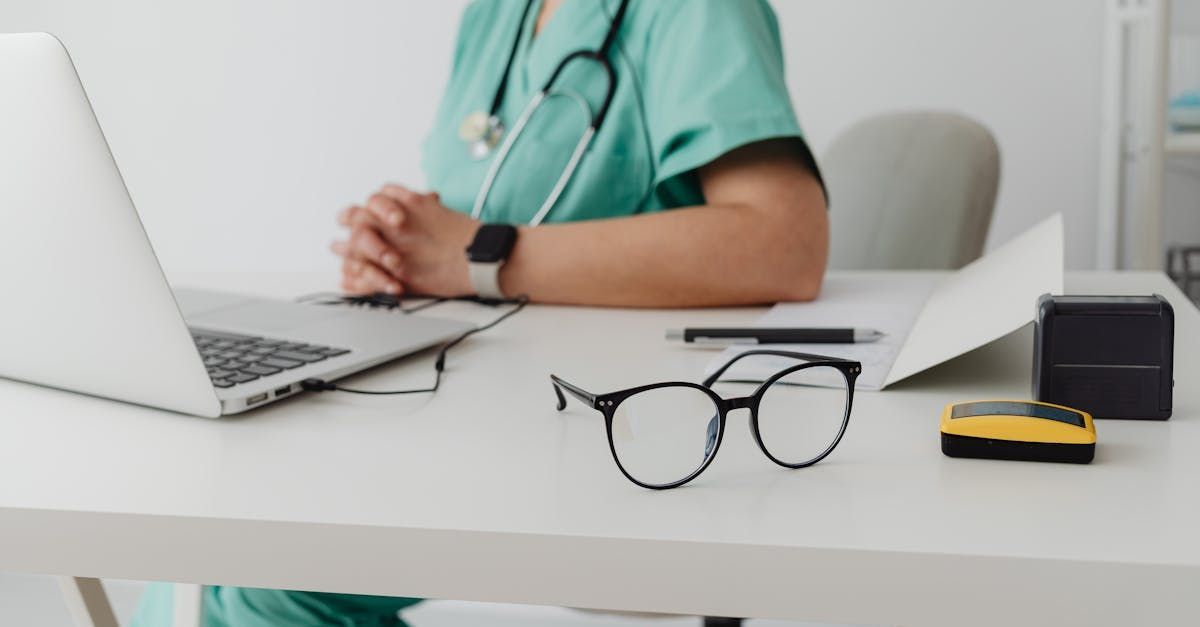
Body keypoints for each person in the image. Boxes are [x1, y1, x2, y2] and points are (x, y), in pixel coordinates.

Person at [134, 0, 828, 624]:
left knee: (273, 575)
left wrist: (472, 252)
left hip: (612, 439)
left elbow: (785, 246)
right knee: (205, 548)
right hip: (476, 407)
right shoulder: (496, 14)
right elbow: (480, 214)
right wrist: (403, 257)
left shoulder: (696, 13)